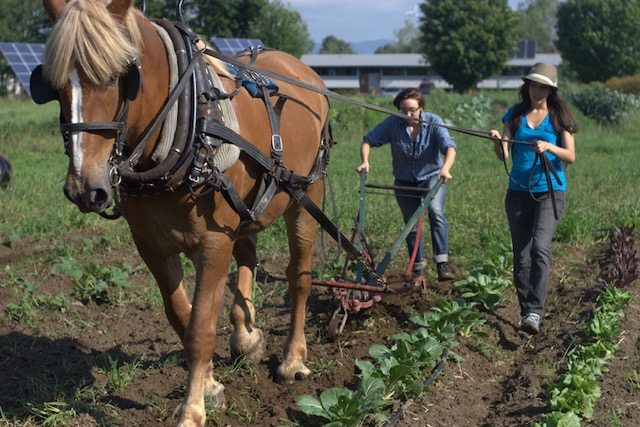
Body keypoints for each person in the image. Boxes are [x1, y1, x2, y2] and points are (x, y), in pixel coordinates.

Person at [489, 63, 577, 336]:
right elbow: (504, 154)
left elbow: (571, 155)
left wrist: (549, 146)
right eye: (533, 85)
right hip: (517, 192)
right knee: (521, 255)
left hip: (549, 191)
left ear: (551, 90)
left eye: (543, 87)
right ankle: (527, 312)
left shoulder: (560, 115)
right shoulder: (514, 115)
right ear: (526, 86)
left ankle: (536, 312)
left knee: (540, 246)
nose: (537, 91)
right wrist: (496, 140)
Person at [356, 87, 457, 283]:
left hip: (431, 177)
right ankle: (418, 267)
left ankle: (442, 264)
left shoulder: (434, 122)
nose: (408, 114)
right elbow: (368, 140)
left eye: (412, 110)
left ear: (421, 108)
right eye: (403, 110)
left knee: (435, 211)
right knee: (411, 224)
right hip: (404, 181)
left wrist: (445, 169)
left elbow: (450, 147)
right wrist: (365, 160)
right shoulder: (393, 124)